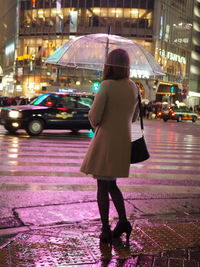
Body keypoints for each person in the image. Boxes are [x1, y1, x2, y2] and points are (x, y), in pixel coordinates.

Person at [80, 48, 139, 244]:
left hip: (105, 142)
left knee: (102, 187)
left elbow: (95, 117)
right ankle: (122, 221)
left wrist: (92, 112)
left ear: (109, 64)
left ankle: (105, 229)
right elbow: (135, 117)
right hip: (123, 143)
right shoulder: (133, 87)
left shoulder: (106, 86)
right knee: (112, 185)